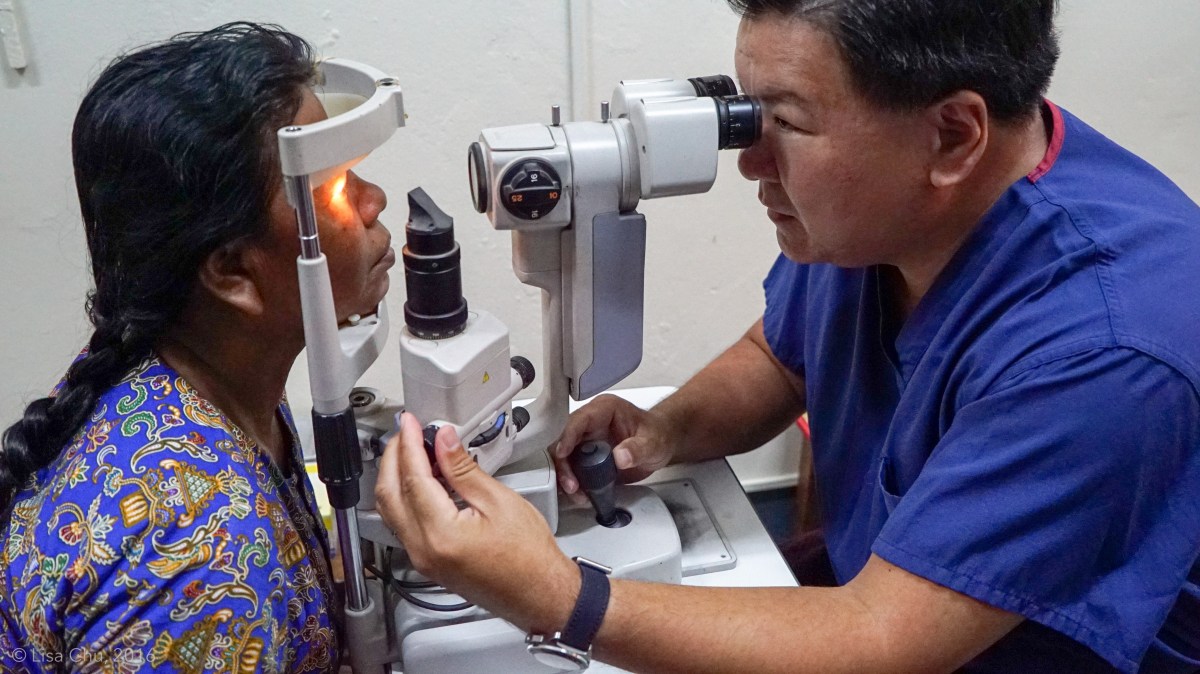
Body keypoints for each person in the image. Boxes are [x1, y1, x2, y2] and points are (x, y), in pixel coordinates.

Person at [374, 1, 1200, 672]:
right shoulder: (898, 205)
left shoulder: (1104, 348)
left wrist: (559, 597)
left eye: (788, 124)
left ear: (953, 135)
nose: (751, 162)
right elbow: (781, 354)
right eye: (748, 117)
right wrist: (669, 428)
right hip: (879, 591)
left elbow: (884, 641)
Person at [0, 23, 393, 672]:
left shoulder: (208, 380)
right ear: (233, 272)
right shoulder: (201, 566)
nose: (373, 200)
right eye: (334, 187)